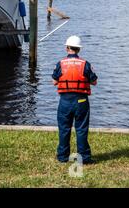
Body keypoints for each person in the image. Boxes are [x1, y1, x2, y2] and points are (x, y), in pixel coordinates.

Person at [52, 36, 98, 165]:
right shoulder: (85, 64)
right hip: (81, 101)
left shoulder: (60, 63)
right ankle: (84, 158)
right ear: (79, 49)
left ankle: (62, 157)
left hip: (65, 101)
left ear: (67, 48)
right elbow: (94, 82)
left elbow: (54, 81)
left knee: (64, 129)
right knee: (81, 129)